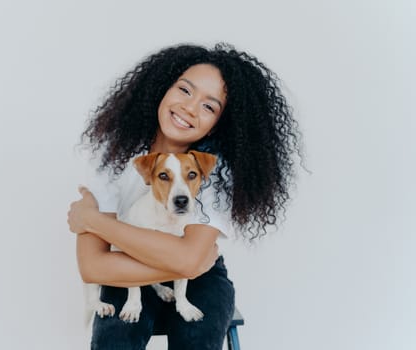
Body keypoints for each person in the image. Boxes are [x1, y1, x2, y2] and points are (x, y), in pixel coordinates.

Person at [68, 43, 302, 350]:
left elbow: (191, 261)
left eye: (209, 107)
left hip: (201, 279)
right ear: (162, 88)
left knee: (197, 339)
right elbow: (92, 268)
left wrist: (94, 221)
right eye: (185, 90)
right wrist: (185, 264)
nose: (190, 107)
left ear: (222, 122)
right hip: (128, 272)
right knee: (116, 338)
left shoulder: (214, 170)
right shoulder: (113, 155)